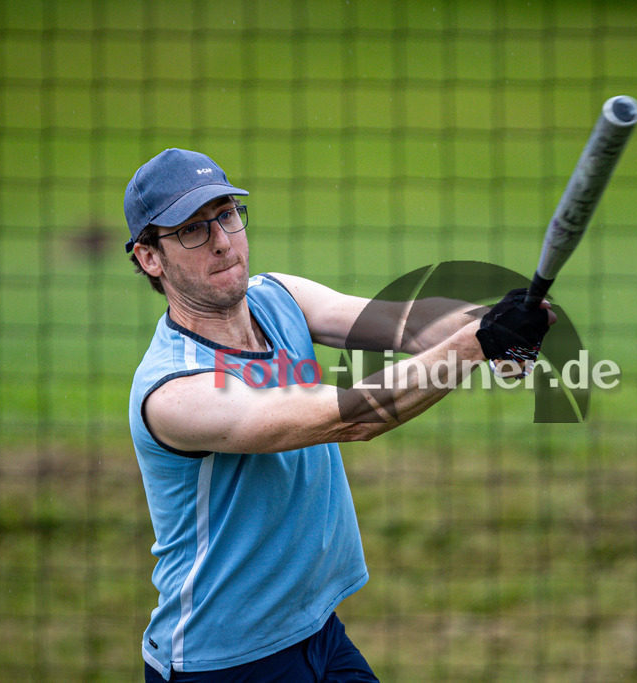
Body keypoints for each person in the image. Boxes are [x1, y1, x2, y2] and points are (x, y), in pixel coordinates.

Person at [124, 148, 554, 682]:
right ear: (149, 257)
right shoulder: (174, 392)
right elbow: (351, 417)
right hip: (223, 660)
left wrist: (497, 319)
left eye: (227, 215)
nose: (220, 240)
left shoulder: (277, 297)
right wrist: (477, 344)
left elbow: (404, 327)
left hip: (316, 632)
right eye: (191, 230)